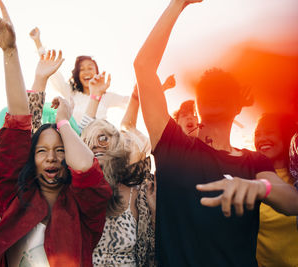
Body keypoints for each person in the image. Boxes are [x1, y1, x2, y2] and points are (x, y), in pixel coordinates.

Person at [134, 0, 298, 266]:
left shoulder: (254, 162)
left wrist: (261, 187)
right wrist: (179, 3)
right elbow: (143, 66)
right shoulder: (173, 146)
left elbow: (293, 202)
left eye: (223, 89)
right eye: (207, 89)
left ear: (237, 106)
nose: (214, 91)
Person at [0, 1, 111, 266]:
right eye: (42, 151)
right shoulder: (13, 199)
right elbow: (19, 121)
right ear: (30, 160)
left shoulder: (85, 210)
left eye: (60, 151)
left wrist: (64, 122)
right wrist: (10, 51)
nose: (51, 158)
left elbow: (85, 165)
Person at [79, 76, 156, 266]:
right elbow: (83, 136)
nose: (98, 144)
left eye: (105, 139)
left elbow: (152, 252)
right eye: (91, 142)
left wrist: (155, 213)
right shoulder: (80, 189)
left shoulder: (143, 194)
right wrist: (95, 97)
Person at [30, 27, 129, 124]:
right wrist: (38, 42)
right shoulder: (71, 93)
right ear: (78, 74)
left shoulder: (106, 96)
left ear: (97, 73)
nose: (86, 72)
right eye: (82, 69)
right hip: (75, 138)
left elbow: (129, 101)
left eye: (90, 68)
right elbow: (54, 75)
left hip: (97, 137)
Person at [254, 113, 298, 267]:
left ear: (285, 135)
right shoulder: (250, 177)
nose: (261, 139)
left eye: (269, 132)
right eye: (258, 134)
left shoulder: (296, 178)